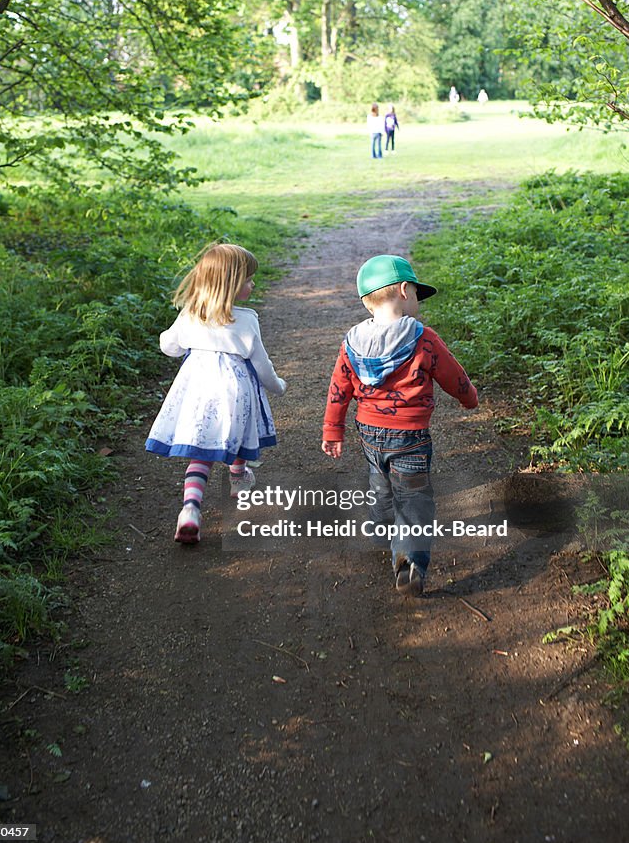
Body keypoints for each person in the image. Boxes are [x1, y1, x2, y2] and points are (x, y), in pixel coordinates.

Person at [321, 255, 478, 597]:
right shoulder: (422, 338)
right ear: (404, 291)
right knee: (414, 499)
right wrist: (470, 399)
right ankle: (409, 561)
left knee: (380, 482)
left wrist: (333, 430)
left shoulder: (351, 343)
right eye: (418, 293)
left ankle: (381, 529)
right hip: (410, 437)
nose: (419, 300)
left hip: (369, 433)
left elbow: (339, 388)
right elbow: (453, 375)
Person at [145, 243, 286, 544]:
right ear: (232, 284)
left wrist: (172, 335)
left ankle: (190, 510)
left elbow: (170, 347)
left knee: (202, 449)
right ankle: (238, 478)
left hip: (197, 390)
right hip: (235, 392)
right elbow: (261, 364)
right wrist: (277, 385)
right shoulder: (246, 320)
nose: (253, 283)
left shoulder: (190, 314)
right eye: (248, 279)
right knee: (235, 432)